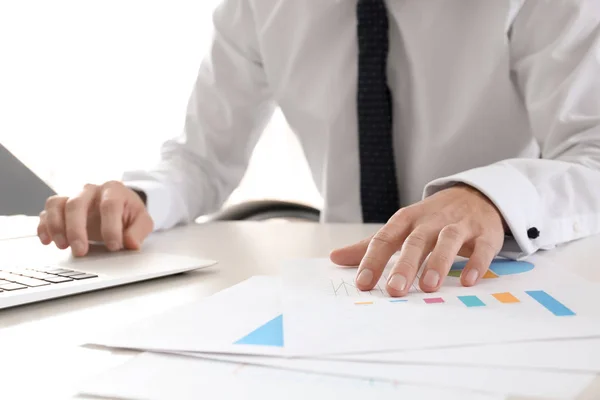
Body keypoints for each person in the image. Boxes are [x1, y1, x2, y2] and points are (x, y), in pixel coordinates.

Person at [37, 0, 600, 297]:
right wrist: (139, 196)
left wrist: (489, 200)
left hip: (499, 277)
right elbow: (201, 159)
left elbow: (592, 151)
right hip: (344, 286)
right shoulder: (258, 7)